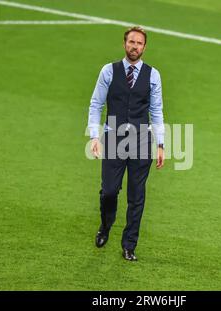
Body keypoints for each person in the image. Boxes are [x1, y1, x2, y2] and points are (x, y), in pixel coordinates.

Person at [87, 26, 165, 261]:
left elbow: (157, 110)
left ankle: (129, 245)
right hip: (114, 138)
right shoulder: (108, 71)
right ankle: (106, 225)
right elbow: (96, 104)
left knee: (137, 196)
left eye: (139, 43)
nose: (135, 46)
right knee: (109, 191)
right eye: (131, 42)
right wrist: (94, 136)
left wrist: (160, 144)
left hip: (142, 140)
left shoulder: (153, 75)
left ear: (144, 47)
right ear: (124, 44)